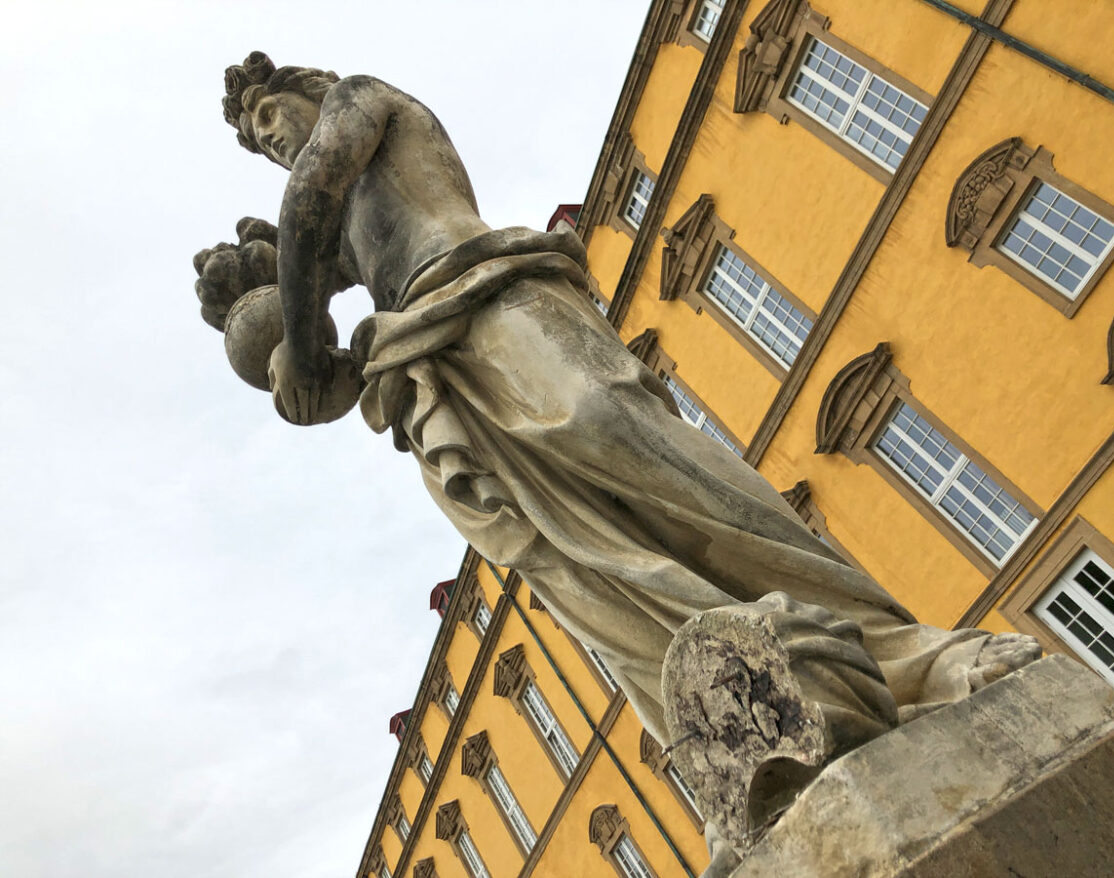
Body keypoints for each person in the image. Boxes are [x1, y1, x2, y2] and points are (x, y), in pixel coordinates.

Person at [217, 51, 1039, 754]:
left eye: (268, 114)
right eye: (256, 140)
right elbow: (317, 360)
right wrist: (272, 341)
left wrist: (294, 301)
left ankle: (908, 654)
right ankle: (746, 744)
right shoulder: (339, 227)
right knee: (573, 564)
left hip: (493, 295)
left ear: (307, 88)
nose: (270, 136)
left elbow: (311, 200)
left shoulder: (360, 103)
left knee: (623, 434)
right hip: (433, 375)